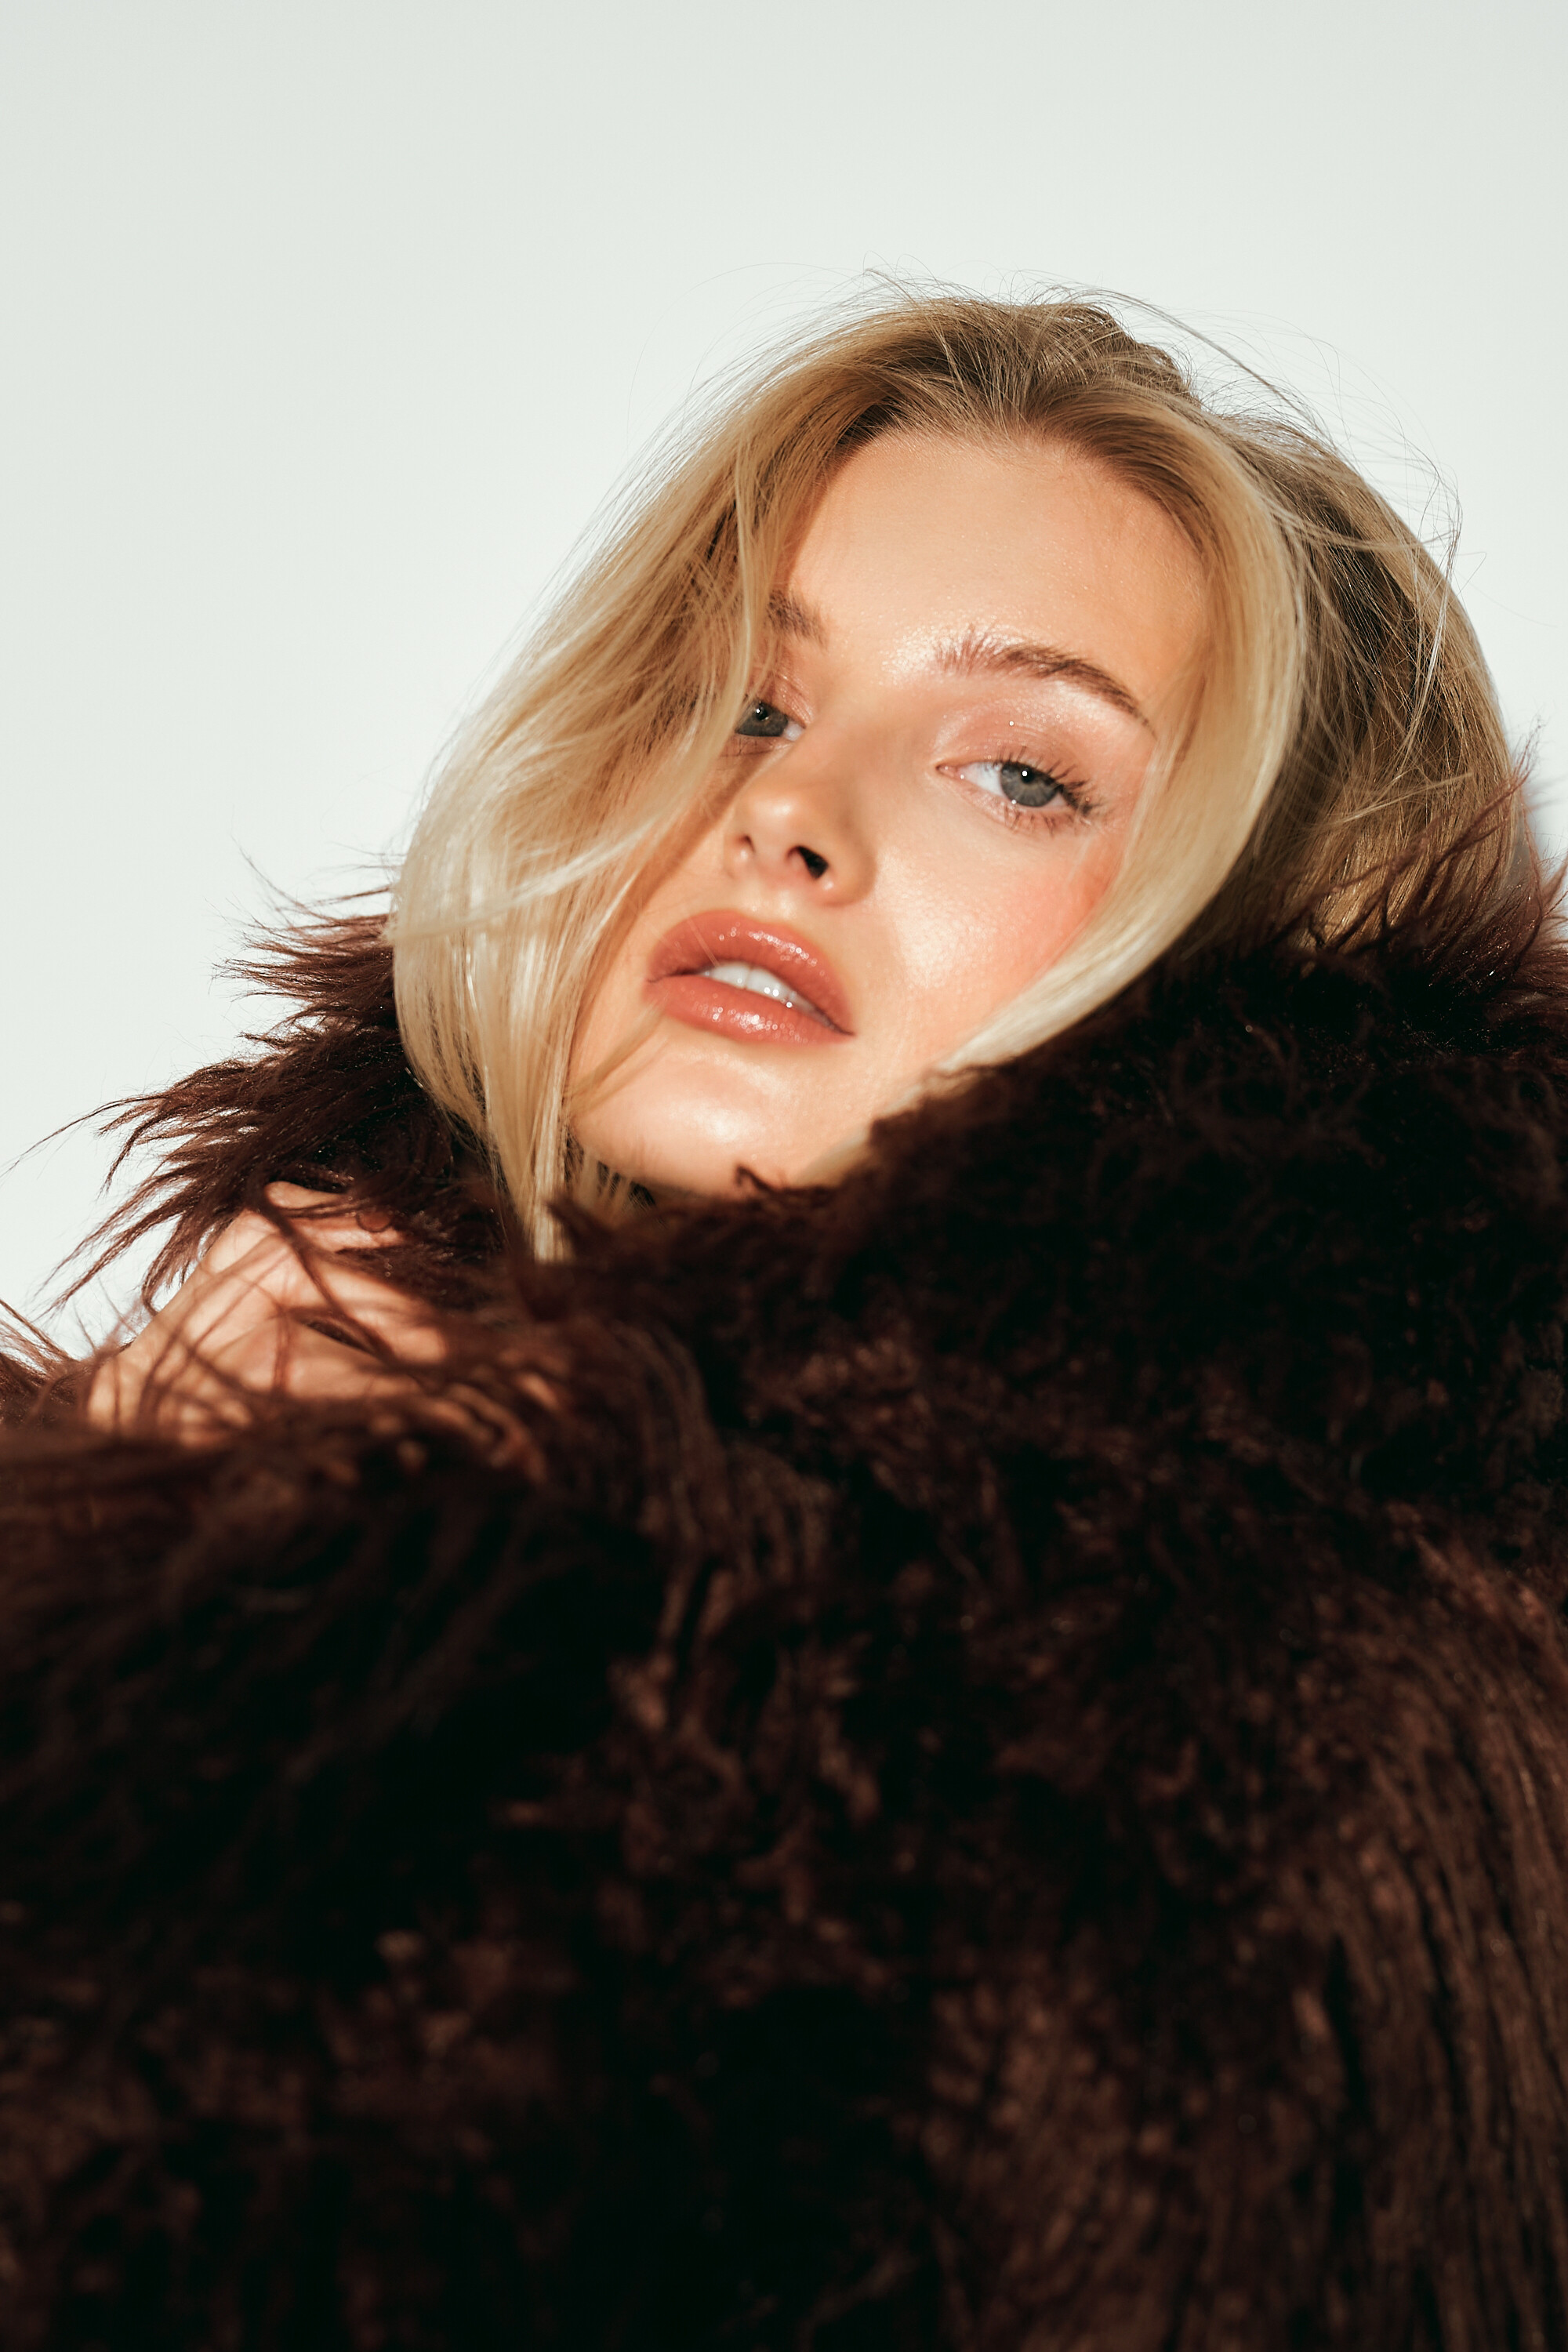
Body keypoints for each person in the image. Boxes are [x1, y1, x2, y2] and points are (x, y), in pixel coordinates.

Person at [2, 289, 1566, 2349]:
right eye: (741, 705)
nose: (788, 811)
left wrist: (255, 1637)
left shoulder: (1291, 1749)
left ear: (1272, 972)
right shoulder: (316, 1383)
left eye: (1022, 771)